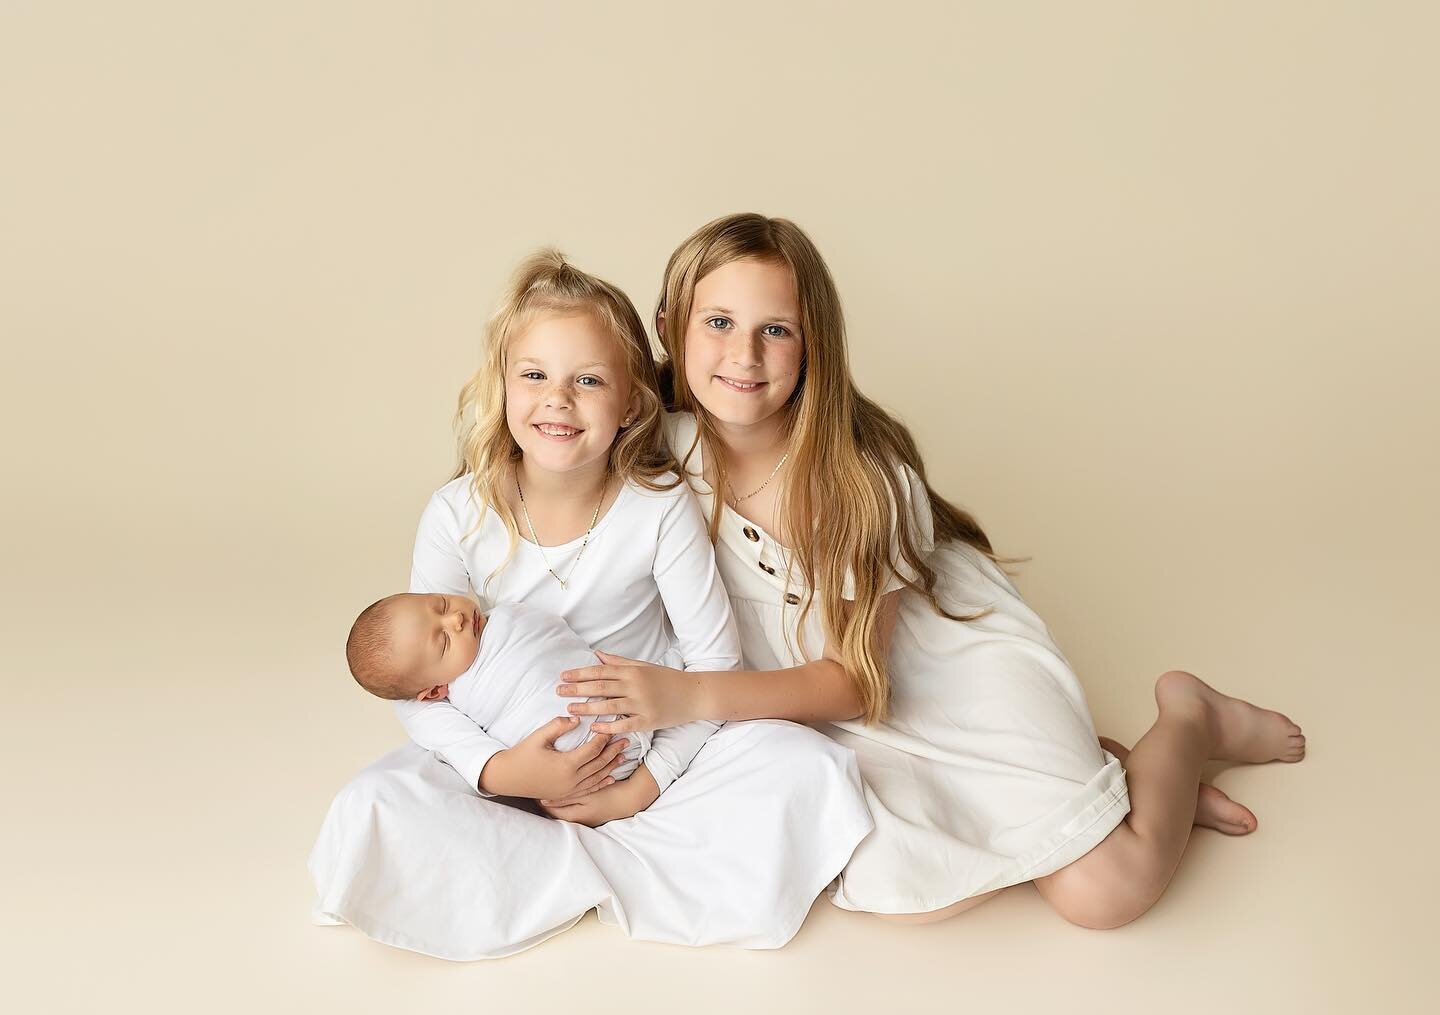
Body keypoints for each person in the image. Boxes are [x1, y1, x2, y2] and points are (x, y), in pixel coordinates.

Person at [556, 213, 1307, 928]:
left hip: (922, 667)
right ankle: (1119, 781)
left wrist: (687, 696)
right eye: (717, 323)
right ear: (668, 327)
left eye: (774, 330)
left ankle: (1188, 717)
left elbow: (855, 681)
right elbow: (537, 459)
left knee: (1102, 889)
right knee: (910, 877)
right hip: (799, 702)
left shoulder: (860, 477)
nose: (743, 355)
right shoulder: (647, 442)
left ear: (814, 343)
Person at [309, 248, 872, 960]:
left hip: (648, 743)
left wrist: (641, 786)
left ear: (632, 402)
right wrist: (502, 771)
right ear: (503, 386)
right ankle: (549, 844)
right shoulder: (458, 513)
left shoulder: (658, 509)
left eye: (589, 380)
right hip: (509, 754)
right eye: (535, 376)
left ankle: (595, 844)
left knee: (803, 764)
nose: (558, 400)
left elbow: (711, 664)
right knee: (375, 805)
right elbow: (419, 690)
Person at [346, 594, 653, 788]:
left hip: (631, 705)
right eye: (444, 641)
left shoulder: (505, 613)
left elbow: (556, 636)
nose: (456, 619)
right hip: (587, 763)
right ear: (435, 690)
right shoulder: (457, 699)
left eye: (441, 604)